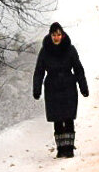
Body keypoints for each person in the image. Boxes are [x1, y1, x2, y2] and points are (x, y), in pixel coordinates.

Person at [33, 22, 89, 158]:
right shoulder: (45, 51)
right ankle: (60, 148)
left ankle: (69, 148)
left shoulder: (70, 49)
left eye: (58, 35)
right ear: (50, 35)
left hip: (68, 85)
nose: (56, 37)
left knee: (69, 117)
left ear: (62, 35)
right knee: (57, 118)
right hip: (52, 86)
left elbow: (78, 68)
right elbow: (39, 71)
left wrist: (83, 87)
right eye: (54, 35)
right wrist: (37, 88)